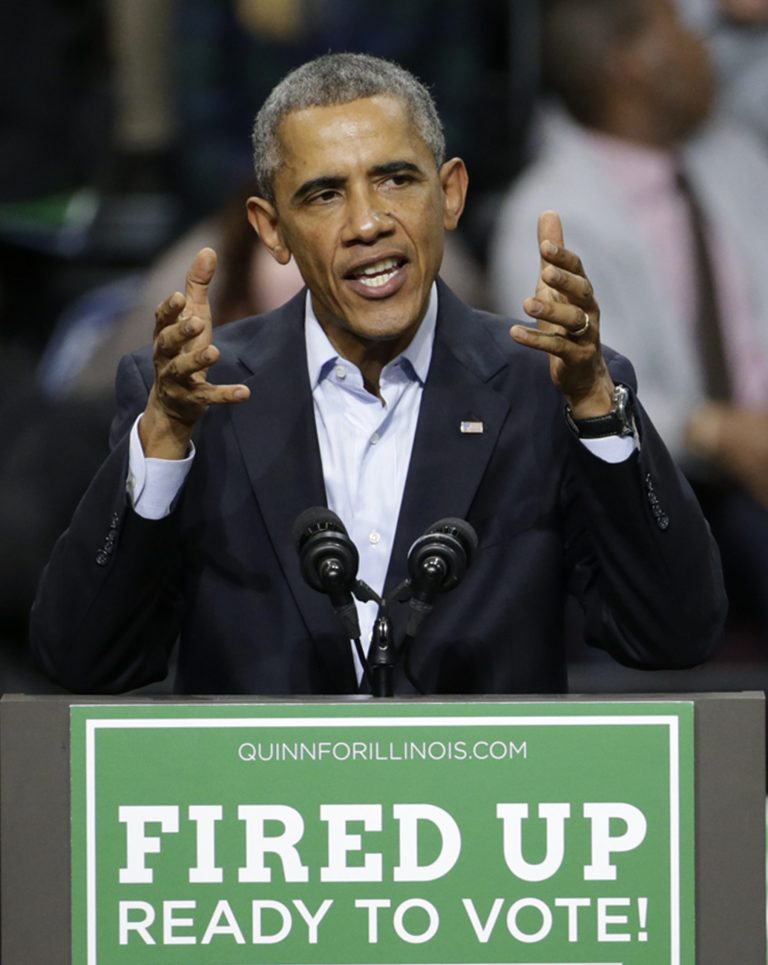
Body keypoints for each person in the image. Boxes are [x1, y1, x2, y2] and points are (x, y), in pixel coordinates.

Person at [30, 52, 726, 696]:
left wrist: (600, 414)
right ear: (271, 229)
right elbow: (85, 657)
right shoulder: (198, 400)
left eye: (396, 179)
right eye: (325, 194)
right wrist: (163, 446)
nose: (368, 222)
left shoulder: (546, 388)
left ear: (449, 194)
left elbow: (673, 632)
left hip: (482, 814)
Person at [490, 0, 768, 636]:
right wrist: (717, 430)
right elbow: (566, 388)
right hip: (666, 480)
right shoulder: (549, 217)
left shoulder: (736, 161)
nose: (702, 45)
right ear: (628, 66)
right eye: (677, 26)